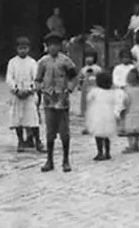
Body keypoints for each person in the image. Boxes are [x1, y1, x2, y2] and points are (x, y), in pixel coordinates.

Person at [36, 32, 78, 172]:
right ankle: (49, 160)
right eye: (50, 45)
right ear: (46, 47)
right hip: (48, 101)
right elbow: (38, 79)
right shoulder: (42, 62)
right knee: (50, 132)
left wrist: (70, 89)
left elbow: (74, 77)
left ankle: (66, 160)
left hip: (62, 100)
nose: (52, 48)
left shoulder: (66, 61)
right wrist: (39, 88)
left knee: (64, 132)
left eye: (55, 45)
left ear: (60, 46)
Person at [6, 36, 41, 152]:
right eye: (20, 48)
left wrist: (29, 90)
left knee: (33, 118)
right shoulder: (12, 62)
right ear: (16, 49)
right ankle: (20, 141)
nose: (23, 51)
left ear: (29, 49)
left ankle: (37, 141)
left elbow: (36, 78)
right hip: (17, 95)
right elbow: (9, 78)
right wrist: (16, 90)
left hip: (29, 95)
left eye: (25, 48)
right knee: (18, 119)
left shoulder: (32, 62)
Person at [85, 70, 119, 161]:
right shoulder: (112, 92)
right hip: (109, 115)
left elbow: (88, 99)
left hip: (97, 115)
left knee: (98, 134)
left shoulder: (95, 91)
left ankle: (100, 152)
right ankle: (107, 153)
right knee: (107, 135)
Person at [119, 68, 139, 154]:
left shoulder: (127, 90)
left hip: (130, 113)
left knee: (130, 133)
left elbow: (126, 101)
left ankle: (131, 146)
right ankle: (136, 145)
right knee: (137, 132)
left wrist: (122, 110)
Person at [77, 49, 103, 135]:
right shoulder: (83, 69)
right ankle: (87, 127)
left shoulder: (98, 69)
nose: (88, 59)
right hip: (86, 92)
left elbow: (101, 79)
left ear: (94, 58)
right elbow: (80, 79)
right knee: (87, 110)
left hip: (95, 91)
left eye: (90, 57)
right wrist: (79, 85)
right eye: (87, 57)